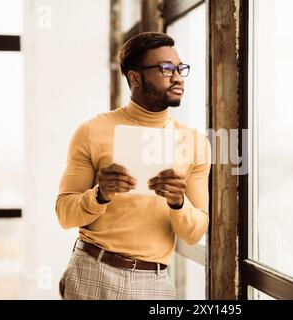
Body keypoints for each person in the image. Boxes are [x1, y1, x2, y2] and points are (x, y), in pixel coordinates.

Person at [55, 32, 211, 300]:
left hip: (154, 283)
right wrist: (100, 194)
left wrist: (177, 203)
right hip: (92, 271)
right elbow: (64, 215)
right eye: (166, 69)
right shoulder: (92, 130)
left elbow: (195, 232)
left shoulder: (195, 143)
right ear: (135, 78)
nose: (178, 77)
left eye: (180, 68)